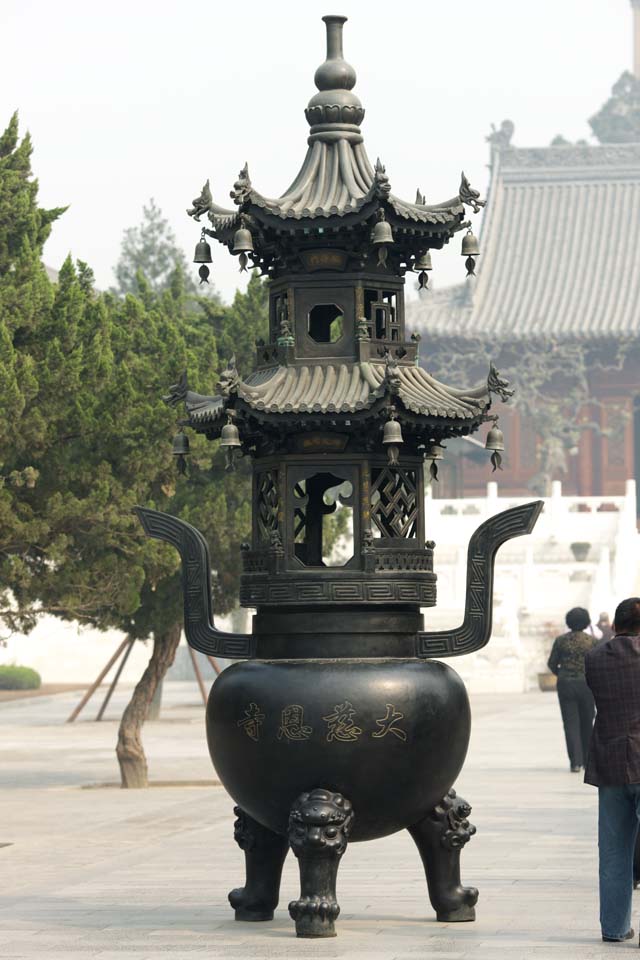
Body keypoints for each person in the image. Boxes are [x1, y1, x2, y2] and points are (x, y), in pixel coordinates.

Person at [585, 597, 640, 944]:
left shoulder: (594, 659)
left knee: (614, 850)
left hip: (610, 761)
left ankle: (615, 928)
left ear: (616, 626)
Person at [547, 607, 599, 772]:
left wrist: (563, 674)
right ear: (586, 621)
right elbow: (597, 665)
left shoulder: (561, 640)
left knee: (570, 724)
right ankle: (588, 760)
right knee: (587, 723)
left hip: (566, 685)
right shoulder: (592, 641)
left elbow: (551, 663)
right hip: (587, 685)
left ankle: (575, 762)